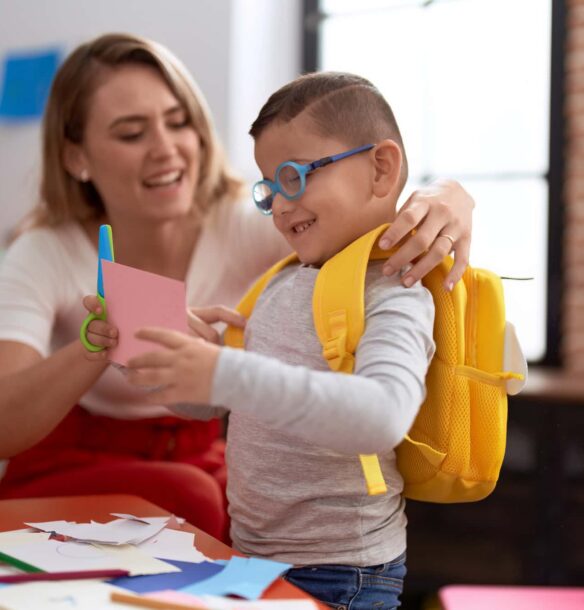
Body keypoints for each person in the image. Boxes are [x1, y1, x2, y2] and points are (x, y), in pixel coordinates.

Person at [0, 33, 474, 540]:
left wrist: (450, 196)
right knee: (199, 500)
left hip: (202, 456)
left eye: (179, 122)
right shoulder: (45, 248)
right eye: (131, 133)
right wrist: (95, 345)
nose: (167, 148)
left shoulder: (251, 224)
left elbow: (365, 227)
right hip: (73, 461)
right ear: (77, 158)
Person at [124, 71, 440, 609]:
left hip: (341, 574)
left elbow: (382, 415)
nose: (280, 205)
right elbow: (208, 402)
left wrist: (222, 369)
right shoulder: (282, 282)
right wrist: (146, 353)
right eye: (268, 188)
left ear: (380, 168)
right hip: (252, 557)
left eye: (294, 177)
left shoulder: (395, 290)